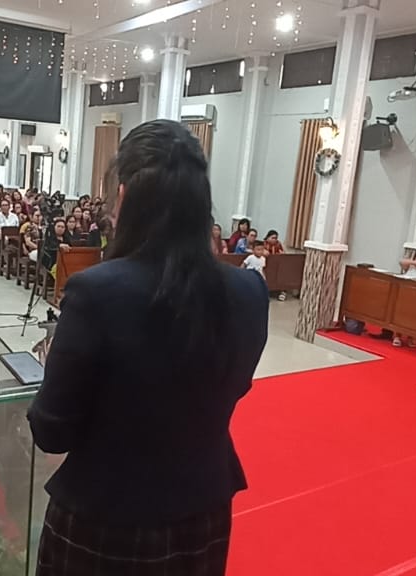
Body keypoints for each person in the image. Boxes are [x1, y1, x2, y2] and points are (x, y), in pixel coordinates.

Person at [28, 120, 267, 575]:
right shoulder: (249, 291)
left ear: (123, 196)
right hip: (202, 508)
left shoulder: (96, 292)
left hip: (107, 517)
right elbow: (233, 387)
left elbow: (52, 431)